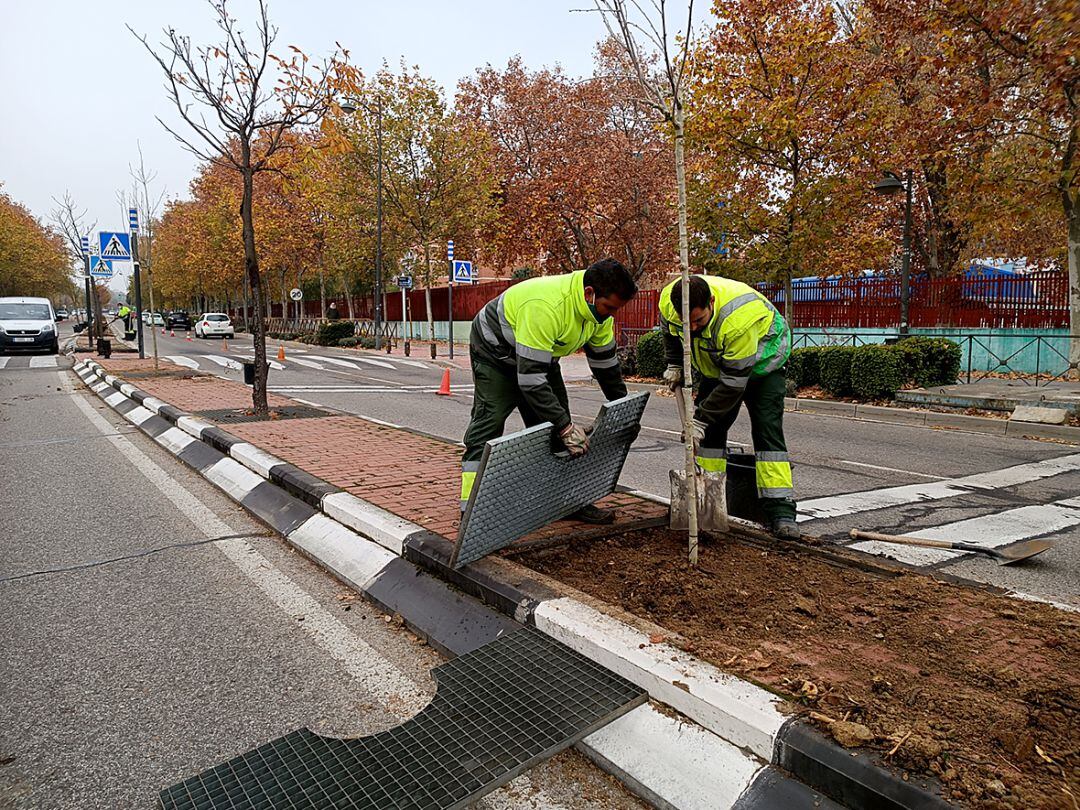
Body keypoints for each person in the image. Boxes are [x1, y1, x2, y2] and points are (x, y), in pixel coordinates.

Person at [461, 258, 637, 524]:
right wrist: (566, 426)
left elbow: (606, 365)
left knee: (555, 427)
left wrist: (623, 408)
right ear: (590, 294)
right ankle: (471, 507)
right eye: (609, 307)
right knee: (489, 422)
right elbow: (530, 381)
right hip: (495, 356)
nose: (611, 314)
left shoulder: (599, 316)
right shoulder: (546, 306)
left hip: (540, 357)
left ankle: (567, 502)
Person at [659, 274, 798, 539]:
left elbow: (733, 385)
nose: (693, 329)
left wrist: (698, 420)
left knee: (767, 431)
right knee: (711, 435)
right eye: (687, 323)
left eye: (698, 321)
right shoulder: (669, 302)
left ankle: (781, 512)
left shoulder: (738, 321)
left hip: (762, 363)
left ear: (711, 301)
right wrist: (674, 363)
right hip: (719, 365)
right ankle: (705, 505)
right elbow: (669, 332)